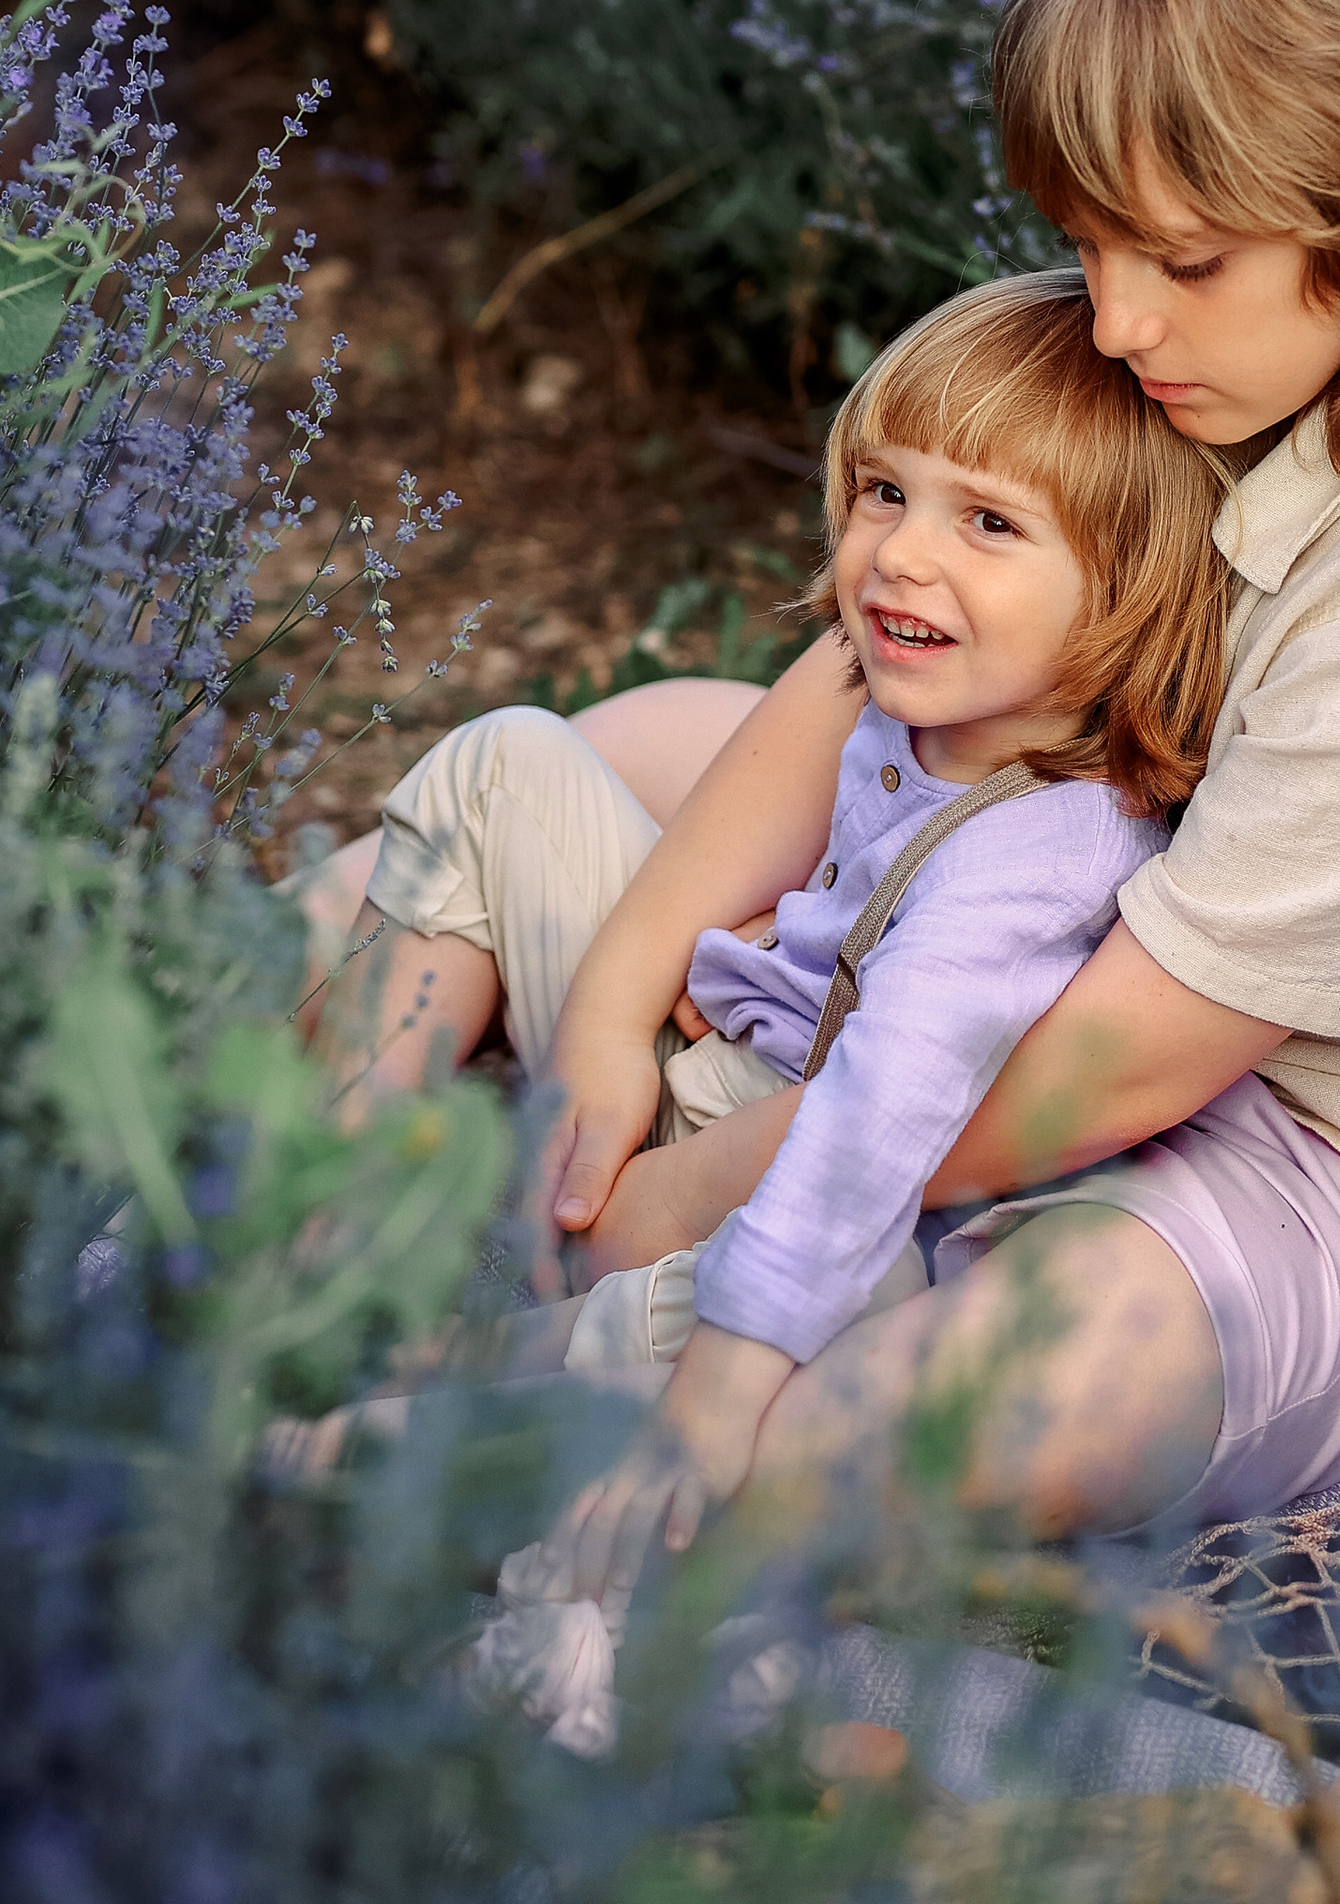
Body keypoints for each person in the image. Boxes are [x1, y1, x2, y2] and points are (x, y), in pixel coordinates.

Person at [521, 0, 1340, 1607]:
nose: (1111, 319)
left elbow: (1116, 1069)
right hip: (1099, 888)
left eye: (1177, 258)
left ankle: (485, 1497)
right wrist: (623, 1005)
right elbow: (859, 672)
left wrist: (706, 1208)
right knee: (621, 748)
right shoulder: (1254, 346)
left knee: (1028, 1377)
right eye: (1087, 244)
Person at [308, 264, 1232, 1584]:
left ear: (1129, 596)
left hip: (782, 1173)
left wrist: (706, 1272)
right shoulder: (924, 705)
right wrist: (678, 990)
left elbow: (868, 1131)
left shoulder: (1042, 852)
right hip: (703, 1081)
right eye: (887, 492)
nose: (901, 552)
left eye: (989, 525)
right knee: (507, 760)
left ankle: (503, 1375)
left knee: (859, 1290)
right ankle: (338, 1192)